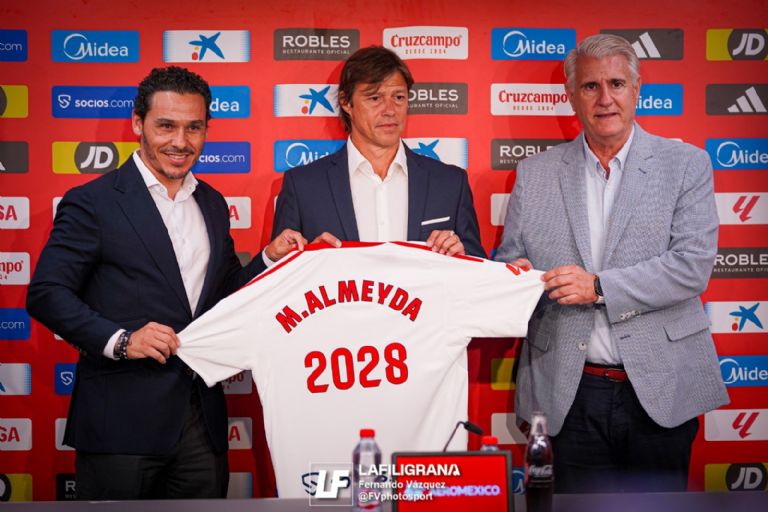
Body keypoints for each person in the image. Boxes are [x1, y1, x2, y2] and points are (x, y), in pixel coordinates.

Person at [26, 66, 303, 499]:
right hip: (120, 424)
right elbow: (46, 293)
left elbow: (224, 292)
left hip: (201, 421)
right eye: (166, 126)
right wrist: (121, 340)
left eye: (194, 127)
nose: (180, 141)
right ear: (138, 124)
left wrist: (269, 257)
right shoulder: (93, 202)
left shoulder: (212, 203)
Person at [496, 34, 728, 493]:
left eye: (616, 84)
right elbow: (509, 262)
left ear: (636, 90)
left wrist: (598, 286)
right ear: (571, 96)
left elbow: (692, 265)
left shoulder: (686, 164)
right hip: (568, 393)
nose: (605, 98)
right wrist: (516, 275)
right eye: (590, 86)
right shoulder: (535, 173)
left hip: (661, 387)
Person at [271, 45, 485, 258]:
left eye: (398, 97)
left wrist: (463, 256)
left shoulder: (450, 183)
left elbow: (481, 270)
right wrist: (298, 258)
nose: (390, 110)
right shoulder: (303, 186)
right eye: (375, 98)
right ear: (346, 102)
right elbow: (277, 273)